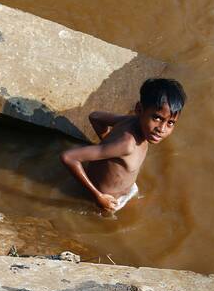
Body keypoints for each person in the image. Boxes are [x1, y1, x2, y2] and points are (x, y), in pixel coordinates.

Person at [60, 78, 186, 212]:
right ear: (139, 109)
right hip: (109, 201)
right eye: (157, 118)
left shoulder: (131, 121)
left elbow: (95, 117)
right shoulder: (127, 145)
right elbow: (68, 157)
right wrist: (98, 196)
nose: (161, 128)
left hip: (125, 189)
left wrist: (107, 144)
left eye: (170, 123)